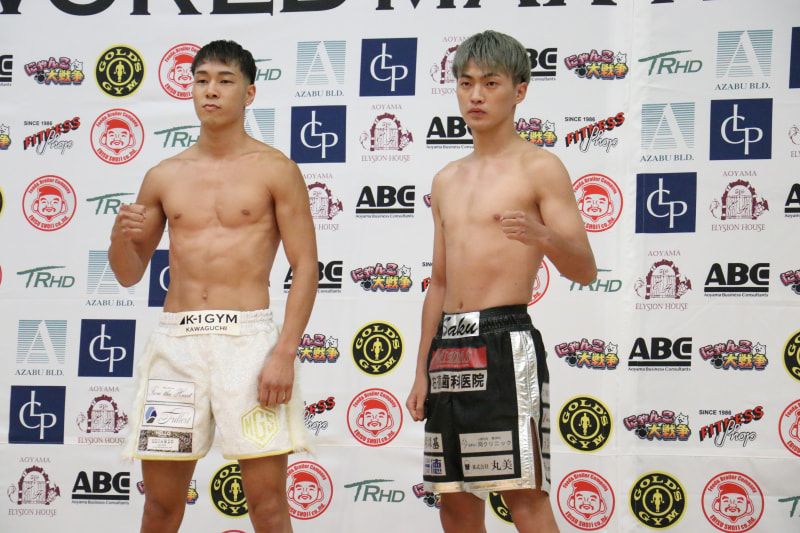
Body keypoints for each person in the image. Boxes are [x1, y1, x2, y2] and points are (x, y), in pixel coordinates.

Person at [109, 40, 318, 533]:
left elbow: (306, 265)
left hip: (248, 343)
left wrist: (284, 352)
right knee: (160, 507)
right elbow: (129, 272)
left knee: (267, 506)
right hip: (177, 345)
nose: (211, 91)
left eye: (225, 81)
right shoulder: (163, 175)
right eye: (201, 80)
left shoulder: (276, 169)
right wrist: (118, 238)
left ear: (249, 93)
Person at [406, 30, 597, 533]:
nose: (476, 95)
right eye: (466, 83)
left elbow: (585, 268)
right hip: (448, 348)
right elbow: (439, 283)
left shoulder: (540, 167)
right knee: (453, 500)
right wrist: (421, 368)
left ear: (520, 90)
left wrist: (543, 235)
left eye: (490, 83)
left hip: (504, 340)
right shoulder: (446, 178)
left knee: (523, 496)